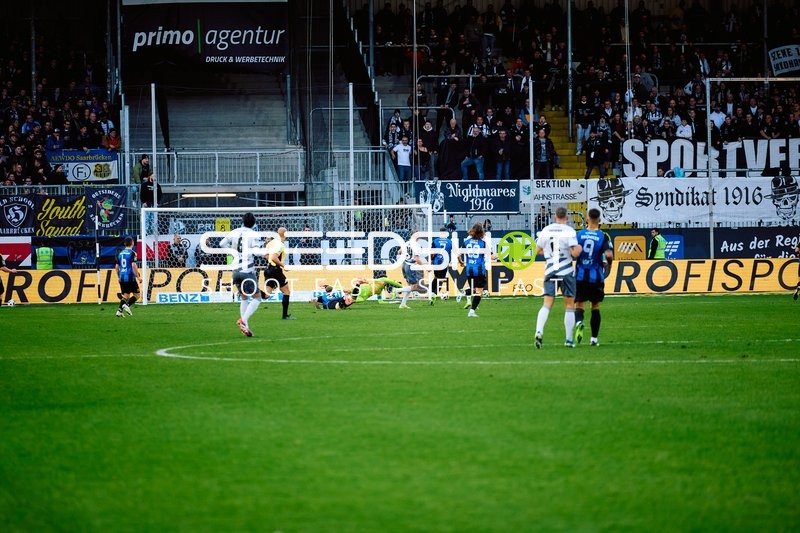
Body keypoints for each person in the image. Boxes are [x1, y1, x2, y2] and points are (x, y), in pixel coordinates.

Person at [534, 206, 582, 348]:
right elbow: (574, 253)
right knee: (569, 306)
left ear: (554, 217)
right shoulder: (569, 231)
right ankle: (568, 339)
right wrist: (578, 249)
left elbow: (538, 251)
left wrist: (550, 254)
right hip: (566, 270)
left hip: (550, 270)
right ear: (566, 218)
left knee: (547, 304)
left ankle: (539, 331)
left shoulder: (546, 230)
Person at [574, 208, 613, 347]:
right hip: (596, 277)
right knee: (595, 306)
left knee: (579, 304)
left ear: (587, 219)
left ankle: (579, 322)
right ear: (600, 220)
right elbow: (609, 255)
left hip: (580, 276)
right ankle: (594, 339)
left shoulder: (579, 235)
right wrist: (609, 265)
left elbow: (574, 252)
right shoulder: (603, 236)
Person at [219, 213, 264, 336]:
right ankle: (243, 321)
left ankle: (246, 328)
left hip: (235, 271)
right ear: (254, 223)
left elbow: (221, 243)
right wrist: (266, 252)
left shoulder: (234, 232)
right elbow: (256, 251)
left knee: (244, 297)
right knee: (257, 297)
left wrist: (233, 253)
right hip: (247, 271)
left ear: (243, 221)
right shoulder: (255, 234)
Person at [460, 222, 495, 317]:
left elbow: (459, 254)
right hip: (479, 270)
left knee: (473, 289)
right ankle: (472, 311)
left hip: (469, 269)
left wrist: (461, 262)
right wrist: (499, 255)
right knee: (479, 291)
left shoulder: (466, 242)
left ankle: (465, 293)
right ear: (481, 232)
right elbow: (492, 256)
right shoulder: (483, 243)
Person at [264, 227, 294, 320]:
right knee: (286, 292)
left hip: (268, 269)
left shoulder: (271, 243)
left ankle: (251, 290)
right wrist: (283, 265)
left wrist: (272, 263)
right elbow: (273, 257)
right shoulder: (280, 245)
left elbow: (266, 255)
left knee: (266, 295)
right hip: (275, 271)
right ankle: (285, 316)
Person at [397, 238, 429, 308]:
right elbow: (417, 259)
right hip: (410, 266)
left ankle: (403, 304)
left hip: (404, 265)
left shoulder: (407, 243)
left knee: (410, 286)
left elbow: (399, 252)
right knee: (414, 286)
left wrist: (406, 255)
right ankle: (396, 290)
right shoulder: (416, 245)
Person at [115, 236, 142, 317]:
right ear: (132, 243)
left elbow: (116, 267)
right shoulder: (133, 253)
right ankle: (128, 305)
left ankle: (119, 311)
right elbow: (134, 265)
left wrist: (119, 277)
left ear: (124, 244)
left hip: (122, 277)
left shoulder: (120, 253)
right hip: (130, 277)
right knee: (137, 295)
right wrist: (138, 277)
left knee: (126, 296)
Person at [430, 226, 453, 299]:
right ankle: (434, 294)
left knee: (436, 277)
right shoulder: (450, 241)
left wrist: (431, 261)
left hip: (436, 262)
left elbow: (432, 253)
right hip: (444, 262)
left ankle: (431, 292)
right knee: (441, 278)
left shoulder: (435, 241)